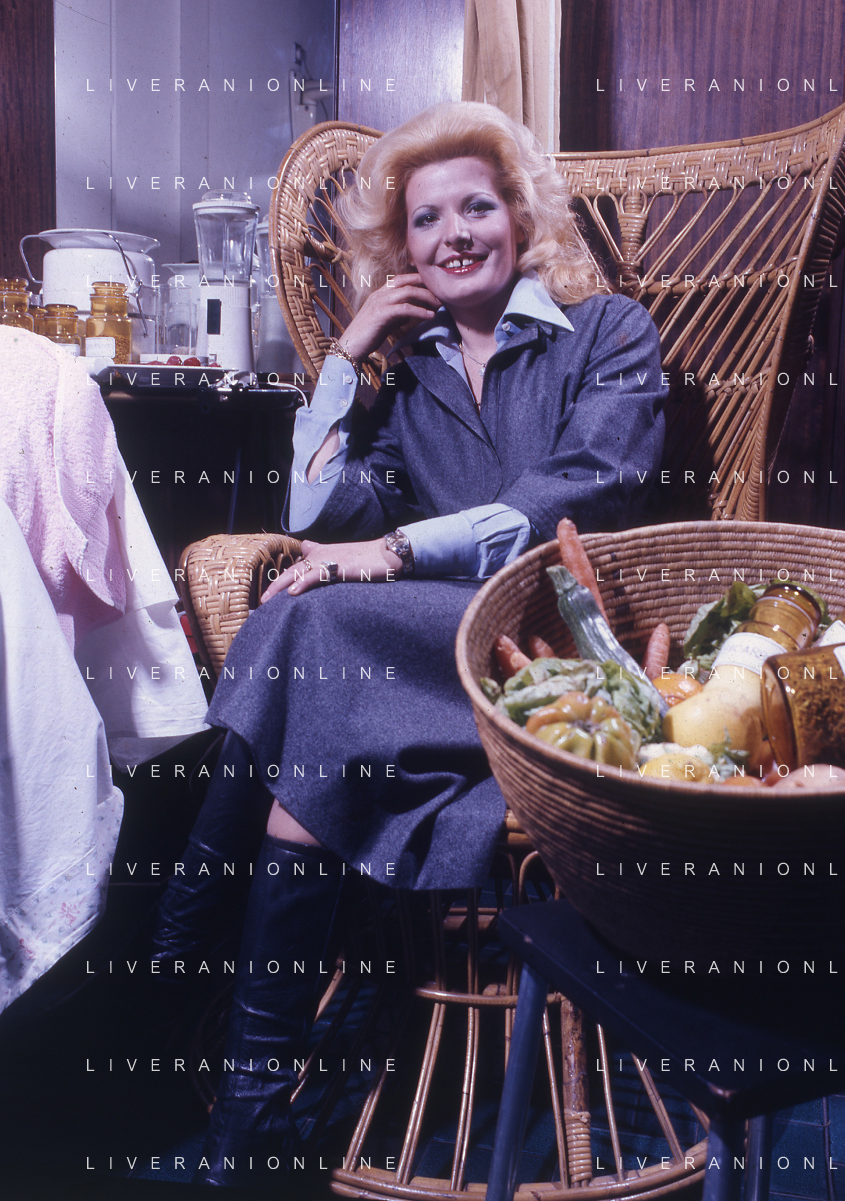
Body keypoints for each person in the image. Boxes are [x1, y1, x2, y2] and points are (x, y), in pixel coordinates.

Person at [153, 101, 667, 1185]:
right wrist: (346, 357)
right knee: (304, 686)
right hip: (418, 670)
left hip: (551, 650)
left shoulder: (610, 332)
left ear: (518, 218)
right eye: (427, 220)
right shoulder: (411, 375)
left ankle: (179, 950)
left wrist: (390, 551)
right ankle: (248, 1127)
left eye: (476, 206)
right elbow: (317, 511)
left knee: (316, 614)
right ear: (406, 250)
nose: (454, 234)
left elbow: (581, 493)